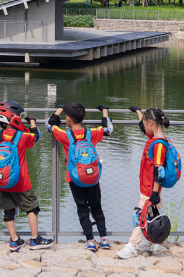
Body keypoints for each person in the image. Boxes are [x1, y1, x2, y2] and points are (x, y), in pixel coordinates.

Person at [45, 103, 112, 251]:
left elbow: (49, 124)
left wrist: (59, 109)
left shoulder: (65, 136)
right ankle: (104, 239)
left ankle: (90, 240)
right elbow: (108, 129)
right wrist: (104, 111)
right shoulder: (91, 133)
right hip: (92, 177)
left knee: (82, 208)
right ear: (83, 117)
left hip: (75, 178)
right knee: (97, 207)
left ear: (68, 119)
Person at [0, 100, 54, 251]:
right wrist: (32, 123)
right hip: (21, 181)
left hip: (2, 180)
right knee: (32, 208)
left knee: (8, 210)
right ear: (14, 117)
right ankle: (35, 239)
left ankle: (14, 240)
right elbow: (35, 136)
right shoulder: (22, 136)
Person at [117, 106, 171, 259]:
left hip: (150, 188)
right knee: (152, 215)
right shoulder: (154, 138)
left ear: (151, 123)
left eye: (146, 123)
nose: (144, 127)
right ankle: (153, 242)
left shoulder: (158, 145)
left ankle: (132, 246)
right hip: (148, 187)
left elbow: (159, 171)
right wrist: (139, 112)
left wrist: (154, 193)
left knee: (141, 217)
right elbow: (143, 126)